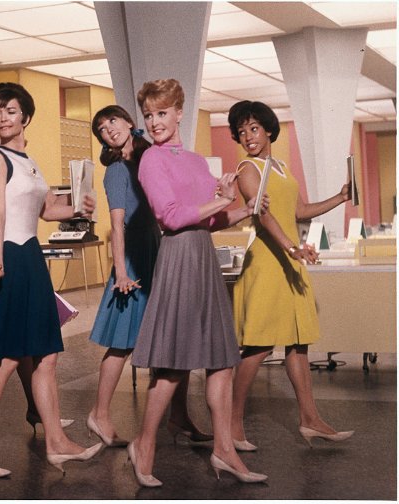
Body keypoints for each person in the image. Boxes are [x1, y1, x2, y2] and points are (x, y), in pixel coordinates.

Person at [127, 79, 268, 487]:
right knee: (172, 365)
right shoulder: (151, 160)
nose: (155, 122)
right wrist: (221, 199)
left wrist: (244, 208)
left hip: (203, 256)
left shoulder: (194, 161)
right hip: (178, 258)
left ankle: (224, 450)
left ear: (178, 113)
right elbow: (171, 217)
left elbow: (211, 219)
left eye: (162, 113)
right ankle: (144, 444)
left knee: (221, 360)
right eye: (148, 115)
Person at [0, 83, 101, 478]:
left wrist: (79, 207)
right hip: (10, 258)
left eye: (10, 111)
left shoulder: (29, 161)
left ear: (26, 116)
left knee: (45, 355)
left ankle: (56, 441)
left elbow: (46, 211)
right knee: (7, 358)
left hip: (31, 258)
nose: (2, 118)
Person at [227, 100, 354, 449]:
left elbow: (299, 211)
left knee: (298, 344)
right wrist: (291, 247)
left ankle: (310, 419)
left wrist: (340, 197)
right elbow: (263, 215)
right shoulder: (247, 168)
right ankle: (231, 423)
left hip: (289, 260)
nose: (248, 137)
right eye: (241, 132)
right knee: (258, 345)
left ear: (269, 130)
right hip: (268, 262)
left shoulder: (280, 167)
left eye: (254, 128)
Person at [86, 105, 211, 447]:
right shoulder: (116, 171)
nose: (108, 129)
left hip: (157, 251)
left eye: (112, 121)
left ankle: (179, 416)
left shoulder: (146, 160)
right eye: (101, 128)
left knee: (172, 339)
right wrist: (121, 273)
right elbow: (117, 225)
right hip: (133, 259)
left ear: (129, 122)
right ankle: (99, 414)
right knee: (122, 342)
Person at [0, 111, 73, 435]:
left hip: (16, 256)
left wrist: (79, 198)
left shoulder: (19, 163)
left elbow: (44, 207)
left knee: (16, 343)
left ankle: (32, 408)